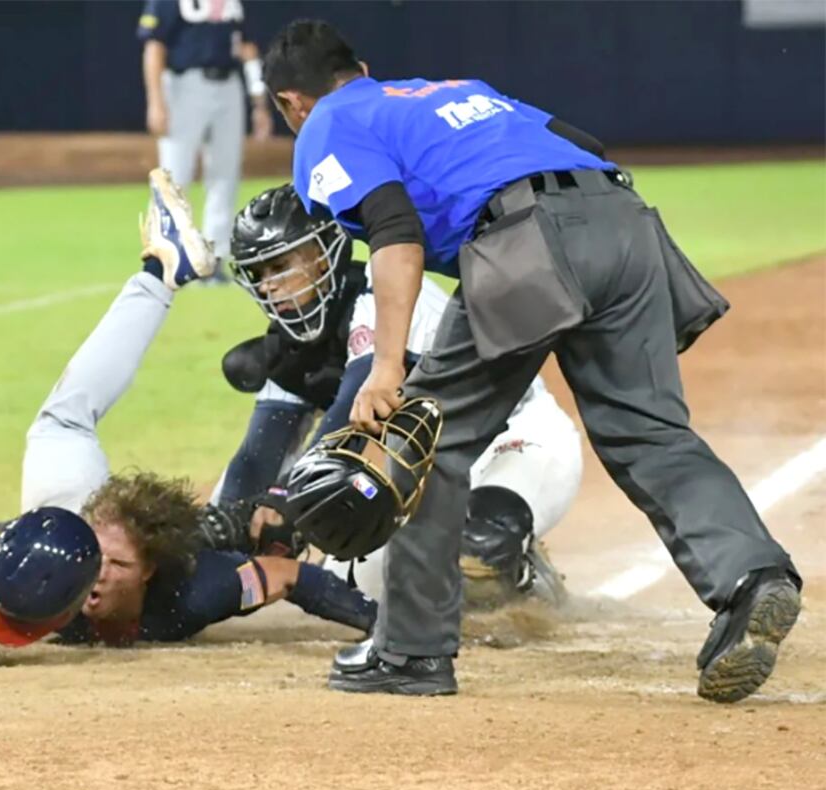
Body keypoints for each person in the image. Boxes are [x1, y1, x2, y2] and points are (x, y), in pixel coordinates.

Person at [261, 19, 801, 702]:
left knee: (426, 439)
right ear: (361, 69)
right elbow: (582, 146)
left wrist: (388, 366)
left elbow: (395, 232)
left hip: (525, 239)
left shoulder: (324, 127)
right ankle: (752, 577)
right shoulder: (452, 90)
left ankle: (410, 652)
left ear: (291, 102)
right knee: (651, 431)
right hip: (625, 221)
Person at [0, 169, 377, 658]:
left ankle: (161, 273)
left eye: (116, 563)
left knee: (64, 423)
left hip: (174, 546)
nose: (97, 579)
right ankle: (161, 274)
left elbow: (289, 577)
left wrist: (382, 622)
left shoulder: (194, 594)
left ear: (148, 572)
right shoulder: (43, 544)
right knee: (61, 423)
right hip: (73, 509)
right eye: (98, 558)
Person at [215, 184, 582, 608]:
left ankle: (526, 572)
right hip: (426, 473)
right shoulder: (289, 349)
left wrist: (283, 502)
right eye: (259, 274)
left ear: (324, 253)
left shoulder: (385, 290)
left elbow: (354, 409)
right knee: (354, 580)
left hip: (511, 441)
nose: (270, 286)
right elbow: (258, 453)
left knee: (479, 551)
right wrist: (225, 522)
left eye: (279, 265)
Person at [138, 0, 273, 281]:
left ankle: (213, 260)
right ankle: (165, 255)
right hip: (184, 84)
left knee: (225, 174)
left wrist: (259, 101)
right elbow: (154, 46)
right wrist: (156, 101)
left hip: (228, 86)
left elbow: (247, 48)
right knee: (174, 176)